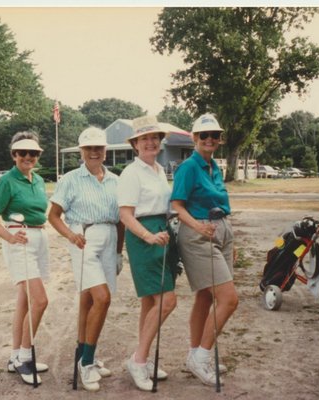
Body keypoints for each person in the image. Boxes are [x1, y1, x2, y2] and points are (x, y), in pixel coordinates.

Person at [48, 127, 124, 392]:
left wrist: (118, 252)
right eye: (89, 148)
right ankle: (87, 363)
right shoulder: (71, 179)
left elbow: (121, 219)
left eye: (99, 148)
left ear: (105, 151)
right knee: (102, 298)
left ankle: (84, 354)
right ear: (81, 151)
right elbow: (54, 215)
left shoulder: (115, 180)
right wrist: (70, 235)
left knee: (89, 299)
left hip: (110, 237)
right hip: (84, 238)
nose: (94, 152)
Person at [170, 113, 239, 387]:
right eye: (204, 135)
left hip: (221, 231)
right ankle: (202, 357)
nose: (210, 139)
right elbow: (177, 205)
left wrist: (227, 238)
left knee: (205, 298)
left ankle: (194, 353)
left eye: (215, 135)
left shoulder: (214, 166)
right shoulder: (189, 167)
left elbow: (221, 204)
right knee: (229, 299)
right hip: (198, 236)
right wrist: (199, 228)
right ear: (194, 138)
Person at [0, 131, 50, 386]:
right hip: (19, 241)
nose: (28, 157)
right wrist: (9, 237)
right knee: (41, 300)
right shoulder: (7, 181)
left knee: (25, 300)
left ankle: (15, 356)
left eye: (33, 153)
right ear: (14, 155)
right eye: (22, 153)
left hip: (39, 239)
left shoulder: (39, 180)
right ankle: (25, 356)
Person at [118, 115, 178, 391]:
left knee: (149, 303)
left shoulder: (157, 169)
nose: (151, 142)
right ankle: (139, 360)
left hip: (162, 232)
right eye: (145, 138)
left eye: (155, 137)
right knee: (167, 301)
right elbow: (126, 215)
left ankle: (141, 356)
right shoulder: (132, 173)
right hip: (145, 237)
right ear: (135, 144)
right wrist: (148, 236)